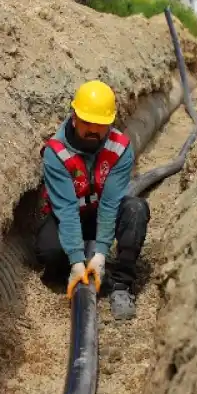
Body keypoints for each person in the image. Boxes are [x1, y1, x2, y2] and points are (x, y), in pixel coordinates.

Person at [35, 79, 150, 320]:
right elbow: (66, 209)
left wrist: (100, 254)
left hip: (100, 213)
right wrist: (77, 259)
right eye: (86, 122)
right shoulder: (56, 152)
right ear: (74, 116)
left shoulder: (119, 149)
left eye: (100, 125)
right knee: (50, 251)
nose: (92, 130)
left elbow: (110, 205)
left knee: (136, 209)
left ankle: (121, 285)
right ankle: (73, 268)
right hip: (70, 213)